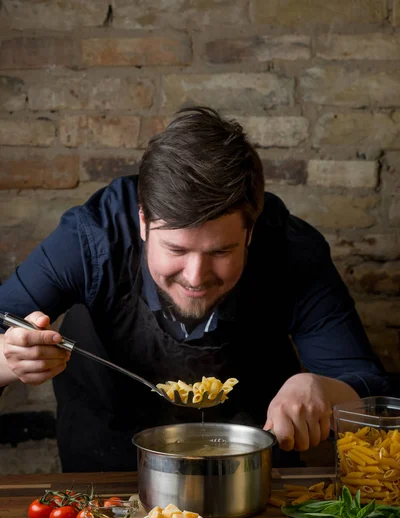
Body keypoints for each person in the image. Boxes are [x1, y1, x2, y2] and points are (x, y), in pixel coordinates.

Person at [0, 106, 390, 472]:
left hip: (252, 475)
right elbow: (4, 328)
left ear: (250, 232)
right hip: (107, 471)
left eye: (221, 251)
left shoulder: (292, 250)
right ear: (143, 222)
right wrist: (10, 359)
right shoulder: (91, 237)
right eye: (176, 249)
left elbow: (371, 395)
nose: (196, 276)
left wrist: (322, 388)